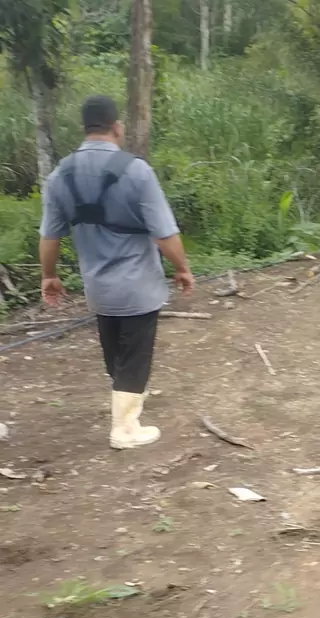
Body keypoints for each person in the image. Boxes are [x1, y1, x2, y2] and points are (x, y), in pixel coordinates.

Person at [39, 94, 194, 450]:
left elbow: (50, 236)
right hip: (138, 284)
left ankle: (126, 398)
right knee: (135, 354)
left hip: (98, 286)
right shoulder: (136, 171)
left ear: (85, 128)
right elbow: (164, 234)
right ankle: (124, 429)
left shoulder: (60, 175)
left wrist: (48, 276)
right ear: (117, 127)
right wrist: (182, 268)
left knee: (115, 350)